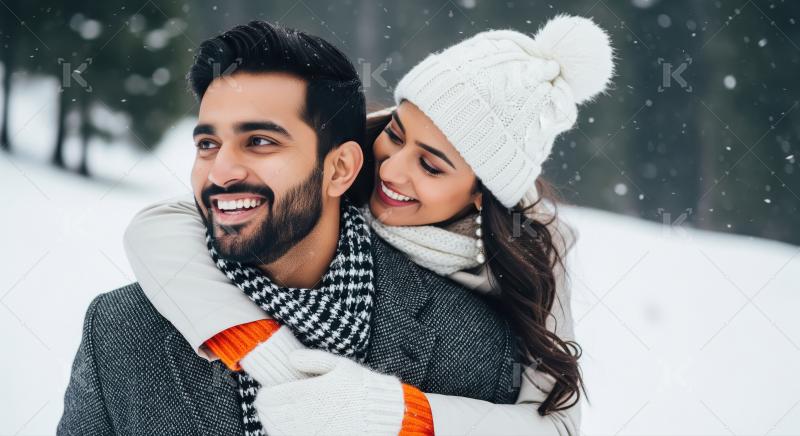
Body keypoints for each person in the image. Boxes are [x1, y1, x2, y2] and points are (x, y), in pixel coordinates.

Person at [120, 14, 613, 435]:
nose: (393, 170)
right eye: (397, 134)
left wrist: (402, 414)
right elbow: (159, 227)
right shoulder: (344, 163)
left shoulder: (532, 256)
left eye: (432, 166)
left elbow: (553, 425)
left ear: (482, 193)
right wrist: (256, 342)